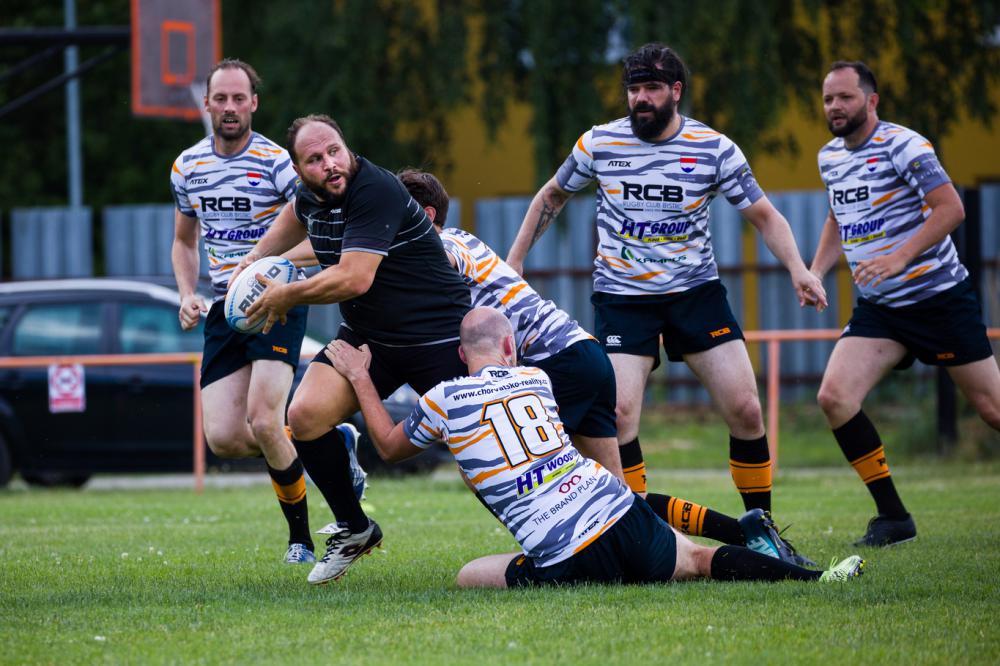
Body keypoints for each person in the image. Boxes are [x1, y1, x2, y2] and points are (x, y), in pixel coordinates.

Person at [399, 169, 807, 559]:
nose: (385, 230)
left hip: (556, 365)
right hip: (581, 354)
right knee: (620, 496)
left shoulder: (447, 243)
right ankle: (746, 531)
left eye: (394, 216)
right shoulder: (462, 241)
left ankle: (559, 548)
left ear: (427, 216)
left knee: (498, 470)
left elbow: (443, 259)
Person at [506, 44, 828, 526]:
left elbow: (764, 215)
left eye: (652, 88)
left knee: (746, 409)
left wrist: (799, 269)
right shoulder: (599, 143)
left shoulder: (714, 148)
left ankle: (762, 527)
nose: (641, 98)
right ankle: (641, 532)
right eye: (633, 89)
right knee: (619, 416)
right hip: (623, 298)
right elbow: (551, 195)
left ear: (675, 91)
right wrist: (515, 260)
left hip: (695, 294)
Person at [325, 307, 864, 587]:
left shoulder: (443, 399)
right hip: (618, 512)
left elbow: (389, 447)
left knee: (470, 575)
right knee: (699, 560)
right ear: (510, 346)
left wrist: (361, 378)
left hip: (564, 555)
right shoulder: (536, 378)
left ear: (463, 355)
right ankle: (820, 579)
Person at [233, 114, 470, 584]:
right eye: (314, 159)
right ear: (298, 170)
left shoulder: (375, 189)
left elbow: (353, 278)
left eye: (334, 151)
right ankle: (356, 529)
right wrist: (256, 258)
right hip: (369, 338)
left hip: (437, 336)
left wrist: (287, 294)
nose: (329, 164)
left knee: (479, 454)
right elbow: (294, 217)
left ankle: (558, 532)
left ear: (347, 148)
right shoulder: (309, 195)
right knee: (304, 416)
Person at [810, 61, 1000, 546]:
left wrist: (899, 257)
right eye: (829, 99)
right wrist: (815, 271)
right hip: (881, 309)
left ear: (871, 100)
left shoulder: (905, 145)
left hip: (938, 299)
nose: (835, 107)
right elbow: (837, 217)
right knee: (834, 397)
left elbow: (951, 208)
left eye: (845, 97)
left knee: (991, 409)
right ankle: (894, 518)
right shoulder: (829, 157)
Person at [170, 59, 325, 565]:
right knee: (224, 439)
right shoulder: (187, 167)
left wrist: (270, 266)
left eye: (240, 98)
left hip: (276, 299)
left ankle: (301, 541)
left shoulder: (279, 163)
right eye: (221, 98)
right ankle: (330, 443)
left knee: (262, 420)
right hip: (224, 306)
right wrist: (186, 293)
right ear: (207, 103)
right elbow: (183, 241)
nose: (230, 107)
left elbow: (319, 234)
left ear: (254, 103)